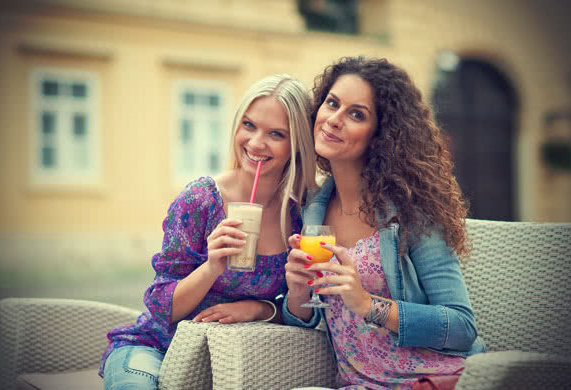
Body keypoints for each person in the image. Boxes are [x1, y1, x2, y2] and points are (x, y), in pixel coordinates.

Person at [100, 74, 317, 390]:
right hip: (158, 348)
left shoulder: (300, 215)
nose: (256, 143)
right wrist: (212, 266)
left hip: (231, 366)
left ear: (296, 145)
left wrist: (260, 309)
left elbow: (303, 317)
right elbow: (163, 307)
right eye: (248, 125)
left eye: (276, 134)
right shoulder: (200, 199)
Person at [283, 56, 486, 390]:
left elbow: (462, 326)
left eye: (356, 114)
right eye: (332, 103)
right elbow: (307, 320)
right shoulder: (311, 211)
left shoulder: (411, 212)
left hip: (431, 379)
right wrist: (297, 291)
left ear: (381, 136)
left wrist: (368, 304)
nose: (334, 119)